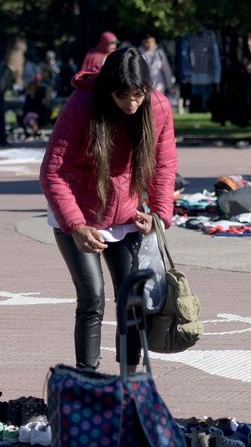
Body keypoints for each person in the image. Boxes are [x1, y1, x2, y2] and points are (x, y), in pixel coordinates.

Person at [40, 47, 177, 370]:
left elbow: (164, 165)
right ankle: (87, 380)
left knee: (131, 300)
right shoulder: (82, 105)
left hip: (127, 215)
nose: (131, 103)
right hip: (78, 215)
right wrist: (75, 225)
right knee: (92, 298)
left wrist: (158, 214)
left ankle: (127, 383)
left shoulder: (157, 107)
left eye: (137, 94)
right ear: (107, 90)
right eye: (121, 95)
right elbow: (53, 171)